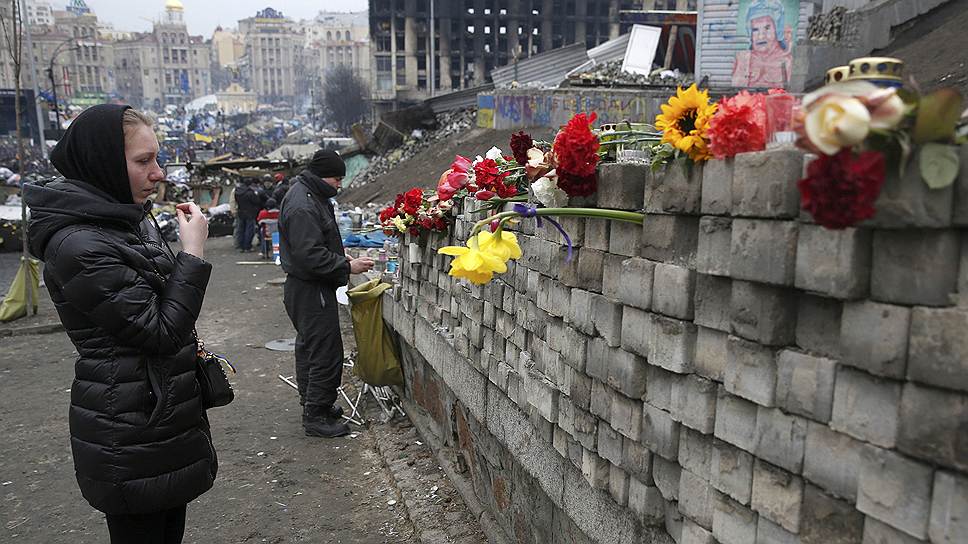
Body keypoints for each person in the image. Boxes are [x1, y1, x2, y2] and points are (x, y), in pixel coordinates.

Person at [23, 104, 216, 544]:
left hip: (153, 415)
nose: (159, 173)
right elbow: (163, 331)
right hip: (128, 427)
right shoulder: (79, 244)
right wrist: (192, 254)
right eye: (143, 161)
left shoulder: (119, 221)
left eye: (157, 159)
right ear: (104, 164)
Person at [279, 149, 374, 437]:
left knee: (310, 348)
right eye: (336, 178)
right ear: (322, 176)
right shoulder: (303, 205)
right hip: (310, 288)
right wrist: (348, 265)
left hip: (308, 287)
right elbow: (311, 255)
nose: (339, 184)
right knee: (325, 352)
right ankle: (316, 416)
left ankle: (314, 403)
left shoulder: (310, 195)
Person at [731, 0, 793, 88]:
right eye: (755, 30)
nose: (761, 36)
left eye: (767, 28)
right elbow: (736, 91)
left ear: (778, 29)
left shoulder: (788, 62)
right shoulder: (742, 60)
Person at [234, 177, 265, 252]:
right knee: (249, 230)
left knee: (241, 229)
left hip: (240, 212)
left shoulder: (237, 191)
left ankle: (240, 246)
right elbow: (256, 201)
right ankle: (247, 246)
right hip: (250, 213)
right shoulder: (250, 192)